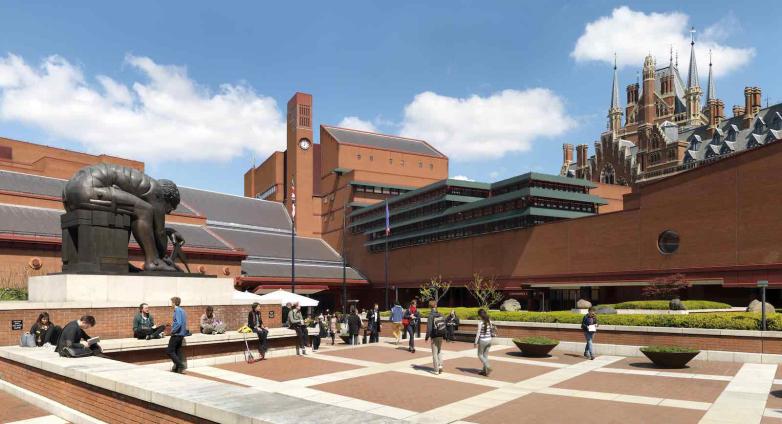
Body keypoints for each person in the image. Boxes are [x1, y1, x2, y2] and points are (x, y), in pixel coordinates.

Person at [167, 297, 188, 373]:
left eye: (171, 302)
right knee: (177, 351)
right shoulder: (182, 310)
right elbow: (182, 322)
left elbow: (178, 323)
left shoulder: (177, 310)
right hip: (181, 334)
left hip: (176, 334)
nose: (171, 304)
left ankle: (181, 366)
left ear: (174, 303)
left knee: (169, 351)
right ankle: (177, 368)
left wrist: (173, 330)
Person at [425, 301, 446, 374]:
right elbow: (444, 324)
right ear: (436, 306)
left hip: (434, 336)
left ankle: (436, 370)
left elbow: (429, 328)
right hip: (441, 335)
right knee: (439, 351)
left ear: (429, 307)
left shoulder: (430, 316)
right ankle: (440, 366)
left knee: (434, 353)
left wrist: (427, 337)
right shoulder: (440, 314)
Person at [475, 309, 495, 376]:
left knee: (480, 355)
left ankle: (488, 366)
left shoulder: (480, 323)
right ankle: (485, 371)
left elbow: (478, 333)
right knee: (485, 356)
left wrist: (475, 342)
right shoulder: (489, 321)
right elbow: (491, 330)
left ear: (480, 315)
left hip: (483, 340)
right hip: (489, 340)